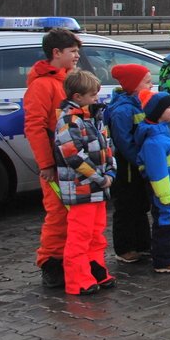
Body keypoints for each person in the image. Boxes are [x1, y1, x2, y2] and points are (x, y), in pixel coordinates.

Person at [52, 70, 117, 296]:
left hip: (97, 187)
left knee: (95, 233)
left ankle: (95, 270)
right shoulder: (69, 121)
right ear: (78, 96)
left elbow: (107, 148)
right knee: (80, 236)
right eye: (92, 96)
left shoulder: (92, 118)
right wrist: (101, 177)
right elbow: (73, 156)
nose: (96, 100)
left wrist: (111, 171)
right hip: (82, 188)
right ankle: (77, 279)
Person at [27, 27, 82, 289]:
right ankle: (50, 263)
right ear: (56, 53)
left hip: (73, 160)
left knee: (75, 214)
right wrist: (46, 164)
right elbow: (35, 127)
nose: (77, 56)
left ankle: (71, 260)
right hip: (57, 163)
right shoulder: (42, 85)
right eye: (72, 51)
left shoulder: (70, 80)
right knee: (58, 214)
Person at [136, 92, 170, 274]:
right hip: (165, 190)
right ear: (158, 112)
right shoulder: (155, 141)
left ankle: (167, 252)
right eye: (169, 107)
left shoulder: (168, 131)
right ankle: (163, 260)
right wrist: (165, 197)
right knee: (164, 221)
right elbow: (158, 173)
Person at [106, 64, 154, 264]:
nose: (151, 85)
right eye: (147, 82)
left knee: (141, 205)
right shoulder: (123, 110)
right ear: (134, 85)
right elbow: (124, 141)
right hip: (127, 167)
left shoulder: (140, 103)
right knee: (126, 207)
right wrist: (140, 160)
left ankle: (143, 244)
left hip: (140, 164)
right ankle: (124, 248)